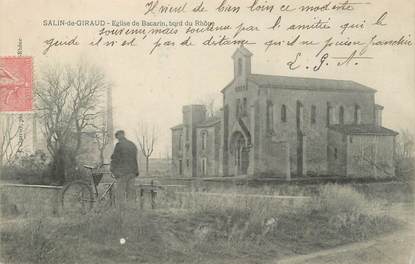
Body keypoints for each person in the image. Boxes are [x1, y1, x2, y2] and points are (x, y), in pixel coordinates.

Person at [110, 130, 139, 209]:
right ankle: (131, 211)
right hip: (132, 172)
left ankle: (121, 212)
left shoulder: (119, 145)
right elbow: (135, 159)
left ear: (120, 135)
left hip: (122, 173)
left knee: (120, 193)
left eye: (117, 137)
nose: (117, 139)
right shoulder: (132, 144)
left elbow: (115, 159)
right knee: (131, 193)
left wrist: (112, 169)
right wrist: (136, 172)